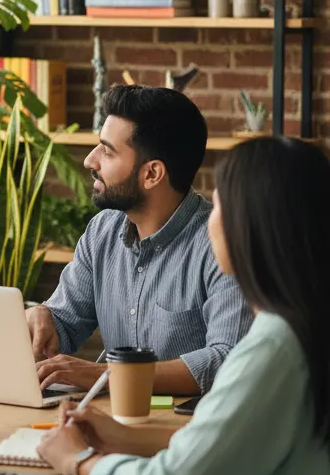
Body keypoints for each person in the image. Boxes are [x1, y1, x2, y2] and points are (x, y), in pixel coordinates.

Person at [36, 137, 330, 475]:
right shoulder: (306, 325)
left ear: (251, 228)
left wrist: (79, 463)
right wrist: (125, 437)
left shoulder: (273, 348)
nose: (210, 218)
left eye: (221, 205)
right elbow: (235, 436)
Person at [27, 85, 252, 396]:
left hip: (191, 423)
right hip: (109, 417)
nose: (90, 161)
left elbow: (226, 360)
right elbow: (65, 323)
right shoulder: (102, 231)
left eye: (107, 151)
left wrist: (108, 375)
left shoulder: (222, 245)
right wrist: (43, 320)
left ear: (152, 174)